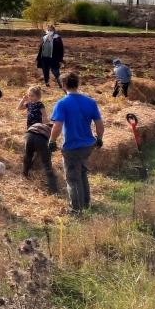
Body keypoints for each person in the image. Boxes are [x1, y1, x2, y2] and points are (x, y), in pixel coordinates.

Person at [49, 73, 104, 213]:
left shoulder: (62, 103)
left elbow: (57, 126)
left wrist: (52, 140)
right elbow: (99, 123)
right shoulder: (90, 101)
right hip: (88, 145)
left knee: (73, 178)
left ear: (63, 85)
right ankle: (85, 204)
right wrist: (99, 138)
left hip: (72, 146)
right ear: (78, 84)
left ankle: (76, 210)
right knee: (82, 173)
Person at [24, 121, 59, 194]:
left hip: (29, 135)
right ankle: (53, 189)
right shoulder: (51, 130)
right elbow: (51, 146)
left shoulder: (39, 125)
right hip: (41, 139)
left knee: (28, 156)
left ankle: (25, 173)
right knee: (47, 164)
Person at [36, 24, 64, 88]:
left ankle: (61, 84)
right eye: (48, 30)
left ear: (54, 30)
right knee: (45, 71)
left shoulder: (57, 38)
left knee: (55, 72)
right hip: (44, 58)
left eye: (50, 30)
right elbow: (41, 48)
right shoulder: (44, 37)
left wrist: (60, 59)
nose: (49, 31)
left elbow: (61, 49)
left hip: (54, 58)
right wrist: (38, 58)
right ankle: (47, 83)